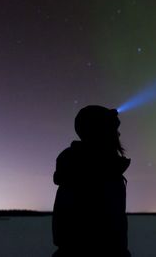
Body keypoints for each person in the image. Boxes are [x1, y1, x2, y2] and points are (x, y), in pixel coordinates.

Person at [52, 105, 131, 257]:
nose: (118, 134)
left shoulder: (91, 168)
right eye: (113, 129)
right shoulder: (91, 173)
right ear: (100, 133)